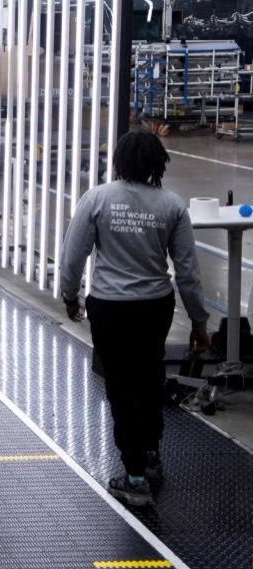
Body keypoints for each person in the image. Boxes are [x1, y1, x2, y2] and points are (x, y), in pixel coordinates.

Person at [60, 131, 208, 508]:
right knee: (149, 377)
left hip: (110, 307)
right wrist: (198, 320)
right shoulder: (172, 206)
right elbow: (188, 272)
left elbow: (73, 256)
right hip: (155, 306)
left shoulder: (96, 198)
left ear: (119, 162)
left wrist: (69, 295)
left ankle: (135, 476)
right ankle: (151, 455)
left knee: (122, 387)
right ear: (158, 164)